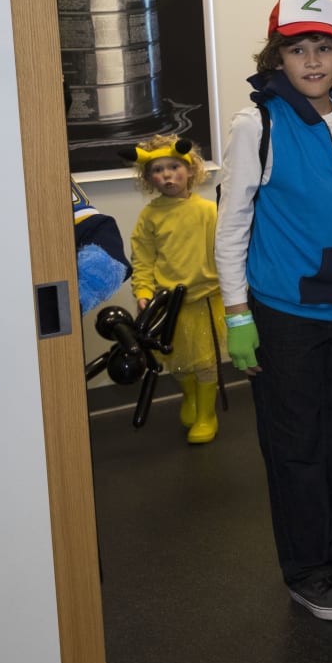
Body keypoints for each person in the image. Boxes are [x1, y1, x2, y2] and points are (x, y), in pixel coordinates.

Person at [216, 0, 332, 623]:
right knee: (293, 446)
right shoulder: (255, 123)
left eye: (324, 47)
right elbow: (232, 223)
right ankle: (305, 570)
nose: (313, 60)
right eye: (298, 48)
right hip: (283, 314)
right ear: (278, 56)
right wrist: (237, 314)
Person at [125, 135, 228, 443]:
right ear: (148, 178)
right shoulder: (150, 216)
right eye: (158, 170)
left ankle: (207, 414)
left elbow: (226, 251)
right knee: (178, 361)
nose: (167, 175)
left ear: (191, 170)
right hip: (168, 304)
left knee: (206, 361)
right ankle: (191, 398)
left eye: (173, 167)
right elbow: (142, 257)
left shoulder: (209, 211)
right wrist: (142, 291)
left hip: (206, 299)